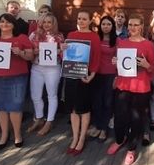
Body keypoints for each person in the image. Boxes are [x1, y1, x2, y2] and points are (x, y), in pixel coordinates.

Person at [108, 13, 154, 165]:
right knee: (120, 117)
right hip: (123, 85)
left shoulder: (148, 45)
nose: (132, 27)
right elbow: (120, 65)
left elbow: (153, 69)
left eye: (136, 25)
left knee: (136, 119)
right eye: (130, 25)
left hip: (141, 87)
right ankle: (120, 140)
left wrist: (146, 65)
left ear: (142, 27)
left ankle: (132, 148)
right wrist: (115, 62)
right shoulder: (122, 42)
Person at [0, 13, 34, 150]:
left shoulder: (21, 38)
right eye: (2, 22)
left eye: (8, 22)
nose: (5, 24)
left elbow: (30, 56)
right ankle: (4, 134)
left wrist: (21, 53)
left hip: (17, 77)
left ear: (13, 25)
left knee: (15, 107)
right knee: (1, 107)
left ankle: (17, 134)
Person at [62, 10, 101, 155]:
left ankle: (82, 138)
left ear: (90, 21)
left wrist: (92, 74)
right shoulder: (71, 35)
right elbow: (66, 56)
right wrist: (62, 49)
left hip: (85, 76)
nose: (81, 21)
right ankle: (75, 137)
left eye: (84, 19)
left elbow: (97, 57)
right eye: (79, 18)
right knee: (73, 108)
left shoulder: (94, 37)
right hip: (71, 75)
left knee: (84, 108)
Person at [27, 13, 64, 136]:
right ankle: (39, 118)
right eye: (44, 22)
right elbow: (27, 51)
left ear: (53, 24)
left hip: (52, 68)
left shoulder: (59, 36)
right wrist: (34, 51)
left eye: (50, 22)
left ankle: (49, 121)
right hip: (37, 67)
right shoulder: (34, 35)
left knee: (51, 95)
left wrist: (59, 50)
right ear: (40, 23)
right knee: (35, 95)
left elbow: (63, 54)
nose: (46, 24)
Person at [89, 15, 118, 142]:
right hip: (96, 74)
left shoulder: (117, 41)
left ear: (112, 26)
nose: (106, 26)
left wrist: (117, 75)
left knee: (107, 102)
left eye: (108, 24)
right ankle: (97, 125)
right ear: (100, 26)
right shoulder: (95, 39)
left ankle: (104, 128)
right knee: (96, 101)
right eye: (103, 24)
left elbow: (120, 58)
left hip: (110, 75)